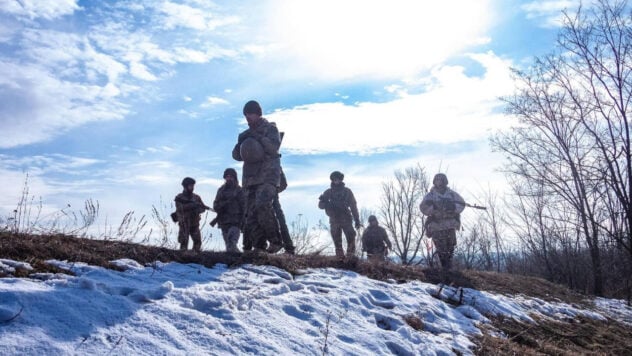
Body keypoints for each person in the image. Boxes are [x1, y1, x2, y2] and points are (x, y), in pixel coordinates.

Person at [232, 100, 283, 253]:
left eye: (250, 114)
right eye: (246, 115)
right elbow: (236, 156)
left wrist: (259, 137)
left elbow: (273, 149)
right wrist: (241, 143)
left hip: (268, 175)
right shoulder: (245, 134)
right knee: (251, 213)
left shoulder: (270, 128)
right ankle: (259, 247)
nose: (248, 117)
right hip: (250, 178)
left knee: (263, 205)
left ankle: (275, 241)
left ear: (258, 113)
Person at [419, 173, 465, 269]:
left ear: (445, 181)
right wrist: (434, 209)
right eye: (437, 180)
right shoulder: (430, 195)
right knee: (441, 249)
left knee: (450, 248)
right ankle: (444, 269)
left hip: (450, 224)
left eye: (442, 180)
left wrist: (452, 208)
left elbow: (462, 204)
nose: (440, 182)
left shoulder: (452, 194)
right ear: (434, 182)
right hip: (437, 225)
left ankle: (448, 268)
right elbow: (423, 207)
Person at [318, 171, 362, 258]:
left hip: (346, 219)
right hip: (334, 220)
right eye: (334, 179)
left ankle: (350, 258)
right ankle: (340, 259)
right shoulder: (328, 192)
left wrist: (357, 219)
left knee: (351, 238)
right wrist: (325, 203)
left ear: (341, 179)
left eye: (338, 179)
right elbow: (320, 206)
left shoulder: (347, 192)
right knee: (337, 242)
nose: (336, 181)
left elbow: (353, 206)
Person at [212, 168, 245, 253]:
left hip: (235, 221)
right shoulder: (221, 190)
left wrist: (244, 220)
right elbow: (215, 205)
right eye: (227, 176)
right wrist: (221, 206)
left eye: (231, 176)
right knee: (228, 245)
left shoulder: (239, 190)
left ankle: (238, 260)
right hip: (224, 221)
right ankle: (233, 262)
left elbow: (244, 206)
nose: (229, 178)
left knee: (231, 242)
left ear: (234, 177)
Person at [174, 177, 208, 252]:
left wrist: (197, 210)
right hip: (184, 224)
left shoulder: (196, 197)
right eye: (190, 186)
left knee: (197, 242)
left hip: (194, 224)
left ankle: (195, 258)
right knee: (183, 243)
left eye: (193, 186)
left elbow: (202, 208)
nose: (192, 187)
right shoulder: (179, 197)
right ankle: (183, 260)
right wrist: (192, 206)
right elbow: (180, 208)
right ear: (185, 186)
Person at [274, 168, 295, 254]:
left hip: (273, 200)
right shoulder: (254, 162)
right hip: (257, 200)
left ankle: (289, 248)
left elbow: (283, 184)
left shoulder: (275, 163)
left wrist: (273, 190)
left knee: (280, 222)